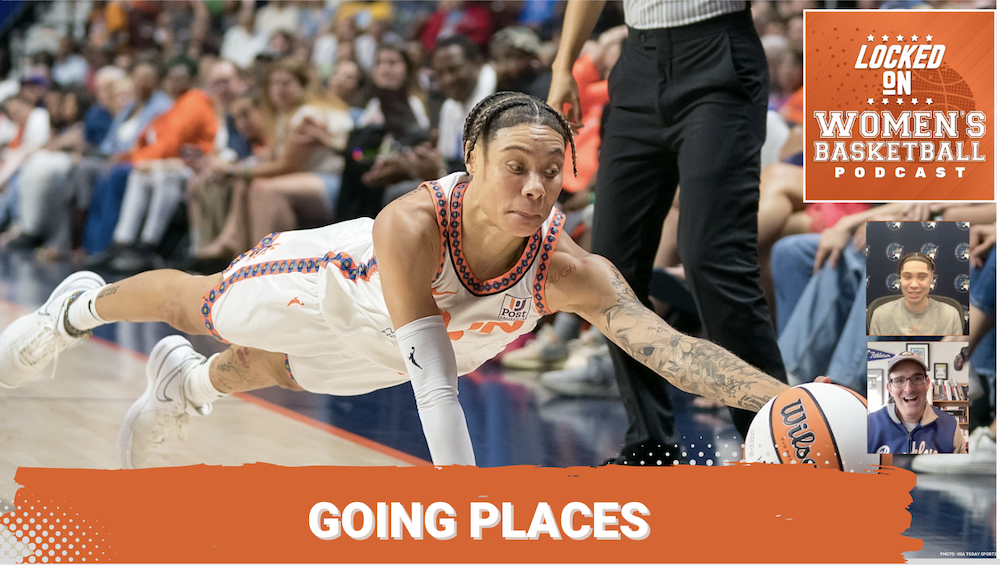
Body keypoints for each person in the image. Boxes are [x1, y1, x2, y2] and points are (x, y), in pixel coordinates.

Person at [0, 92, 788, 470]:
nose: (537, 187)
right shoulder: (410, 225)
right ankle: (74, 310)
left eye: (552, 171)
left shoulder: (570, 268)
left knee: (265, 370)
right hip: (334, 282)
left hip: (398, 346)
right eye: (516, 167)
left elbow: (675, 352)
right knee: (205, 307)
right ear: (471, 161)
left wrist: (785, 401)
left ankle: (188, 390)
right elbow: (436, 393)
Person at [548, 0, 786, 463]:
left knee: (713, 259)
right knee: (607, 268)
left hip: (718, 51)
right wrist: (564, 65)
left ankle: (776, 444)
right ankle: (650, 444)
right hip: (638, 59)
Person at [868, 351, 967, 454]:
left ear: (927, 384)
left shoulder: (950, 426)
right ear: (890, 389)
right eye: (899, 381)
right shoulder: (869, 425)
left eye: (917, 378)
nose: (909, 389)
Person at [869, 252, 964, 337]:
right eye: (907, 277)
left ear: (931, 277)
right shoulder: (881, 315)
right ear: (900, 278)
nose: (914, 285)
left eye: (922, 277)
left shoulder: (950, 315)